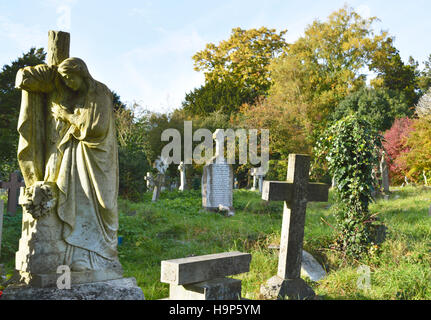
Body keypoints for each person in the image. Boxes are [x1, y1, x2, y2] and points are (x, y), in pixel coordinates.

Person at [16, 58, 121, 273]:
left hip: (98, 156)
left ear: (81, 73)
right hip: (77, 154)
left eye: (70, 77)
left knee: (103, 205)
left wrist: (66, 116)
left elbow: (96, 128)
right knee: (79, 200)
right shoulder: (74, 94)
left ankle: (104, 257)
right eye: (63, 79)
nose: (68, 82)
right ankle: (79, 256)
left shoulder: (99, 92)